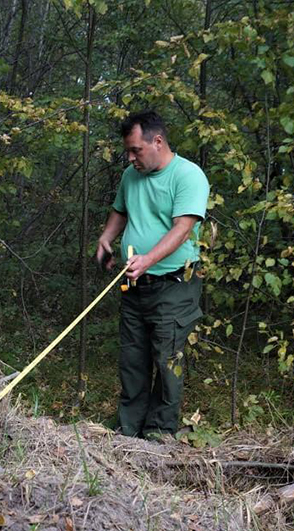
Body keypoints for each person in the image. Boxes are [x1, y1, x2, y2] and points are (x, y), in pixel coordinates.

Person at [95, 110, 210, 438]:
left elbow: (182, 229)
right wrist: (106, 238)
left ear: (157, 141)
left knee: (166, 359)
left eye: (136, 150)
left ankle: (159, 434)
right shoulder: (131, 176)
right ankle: (128, 430)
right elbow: (120, 211)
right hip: (134, 287)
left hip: (174, 285)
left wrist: (148, 259)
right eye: (128, 151)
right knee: (132, 359)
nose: (130, 158)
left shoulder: (188, 176)